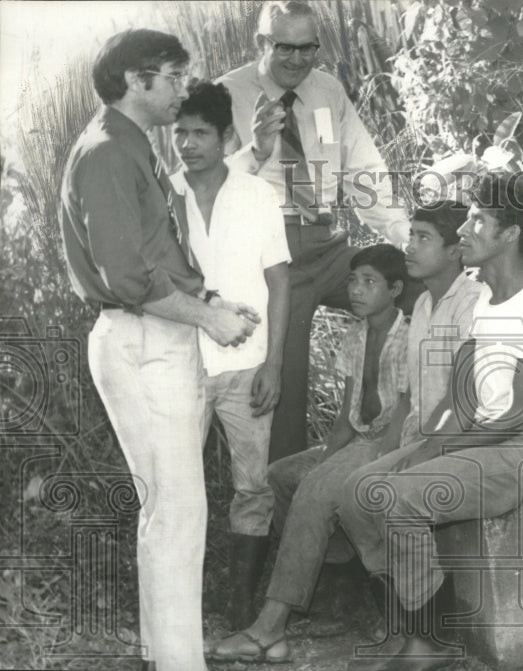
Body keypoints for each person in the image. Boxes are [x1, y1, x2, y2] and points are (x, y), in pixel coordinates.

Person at [59, 29, 258, 671]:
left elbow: (151, 260)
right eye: (173, 76)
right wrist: (209, 318)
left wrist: (210, 307)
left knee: (167, 512)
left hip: (151, 333)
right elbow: (126, 278)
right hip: (143, 339)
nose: (182, 88)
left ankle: (163, 654)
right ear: (137, 80)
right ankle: (179, 663)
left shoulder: (125, 144)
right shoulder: (110, 151)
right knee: (178, 514)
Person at [337, 172, 523, 671]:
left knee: (398, 497)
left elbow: (518, 415)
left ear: (510, 235)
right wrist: (429, 443)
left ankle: (432, 642)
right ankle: (417, 617)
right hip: (481, 440)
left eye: (479, 220)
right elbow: (464, 394)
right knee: (356, 491)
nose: (466, 229)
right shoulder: (487, 300)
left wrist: (442, 450)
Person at [206, 241, 426, 663]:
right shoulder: (355, 335)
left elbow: (402, 415)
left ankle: (270, 626)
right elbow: (346, 417)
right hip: (360, 437)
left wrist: (347, 470)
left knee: (317, 490)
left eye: (369, 282)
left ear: (396, 289)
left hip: (393, 443)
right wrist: (325, 461)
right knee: (282, 476)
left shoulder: (411, 335)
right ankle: (339, 574)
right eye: (353, 281)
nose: (357, 290)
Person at [218, 0, 411, 463]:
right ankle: (280, 506)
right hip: (266, 258)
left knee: (416, 289)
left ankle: (392, 433)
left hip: (326, 247)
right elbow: (207, 187)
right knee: (282, 389)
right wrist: (255, 148)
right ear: (261, 42)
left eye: (309, 48)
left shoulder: (327, 90)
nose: (298, 59)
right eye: (285, 47)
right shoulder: (226, 93)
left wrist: (404, 236)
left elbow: (365, 173)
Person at [169, 81, 291, 631]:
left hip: (248, 365)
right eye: (180, 133)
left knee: (252, 487)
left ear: (227, 137)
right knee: (176, 483)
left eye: (200, 133)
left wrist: (275, 366)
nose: (188, 144)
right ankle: (178, 609)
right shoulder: (163, 195)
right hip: (179, 363)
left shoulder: (256, 195)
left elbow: (280, 283)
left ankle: (241, 609)